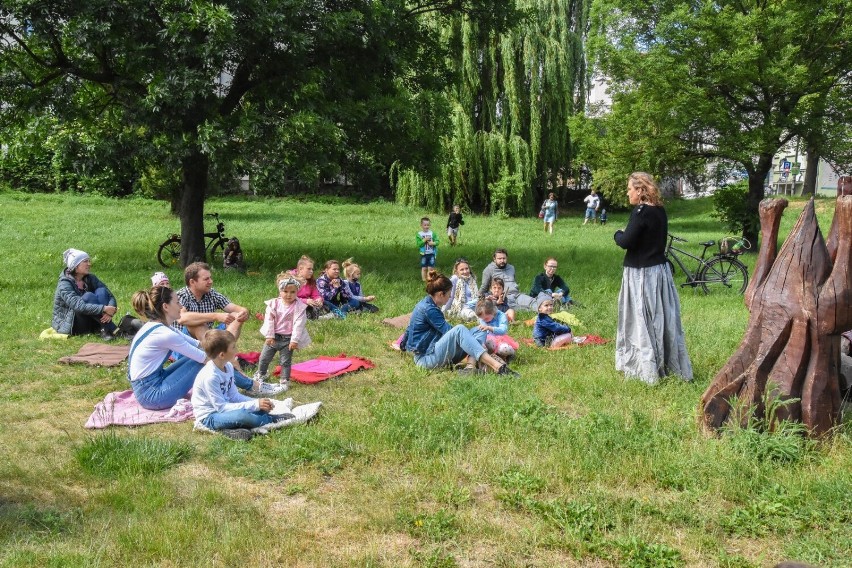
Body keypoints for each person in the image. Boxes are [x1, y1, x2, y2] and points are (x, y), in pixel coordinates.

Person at [128, 287, 284, 411]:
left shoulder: (159, 326)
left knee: (205, 356)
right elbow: (207, 358)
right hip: (152, 395)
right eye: (177, 302)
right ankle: (253, 387)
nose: (181, 306)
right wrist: (228, 359)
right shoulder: (165, 333)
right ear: (166, 307)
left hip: (150, 384)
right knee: (207, 360)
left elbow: (200, 345)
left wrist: (221, 345)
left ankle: (250, 385)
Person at [614, 172, 693, 384]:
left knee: (642, 319)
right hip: (658, 272)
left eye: (630, 189)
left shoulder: (641, 212)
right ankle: (667, 363)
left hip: (642, 275)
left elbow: (626, 241)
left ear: (640, 191)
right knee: (660, 319)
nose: (627, 192)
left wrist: (617, 234)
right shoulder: (659, 210)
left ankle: (646, 368)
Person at [403, 270, 520, 377]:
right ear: (440, 294)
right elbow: (451, 332)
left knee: (480, 329)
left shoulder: (428, 304)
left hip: (435, 351)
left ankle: (470, 367)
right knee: (460, 329)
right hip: (426, 359)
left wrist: (402, 345)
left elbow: (409, 330)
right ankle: (498, 367)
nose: (450, 298)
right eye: (449, 295)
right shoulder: (428, 309)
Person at [192, 330, 292, 441]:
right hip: (210, 417)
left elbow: (235, 396)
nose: (237, 350)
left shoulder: (228, 367)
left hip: (225, 409)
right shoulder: (211, 377)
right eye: (233, 347)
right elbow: (221, 407)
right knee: (242, 416)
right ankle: (271, 420)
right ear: (222, 355)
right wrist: (254, 405)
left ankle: (231, 430)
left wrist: (257, 403)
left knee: (255, 408)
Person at [52, 248, 118, 341]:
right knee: (88, 296)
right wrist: (104, 309)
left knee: (102, 291)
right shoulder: (64, 284)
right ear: (75, 265)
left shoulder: (90, 278)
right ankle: (113, 329)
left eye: (89, 261)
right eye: (85, 261)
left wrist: (110, 310)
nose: (89, 264)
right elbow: (78, 306)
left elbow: (109, 295)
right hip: (72, 324)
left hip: (92, 318)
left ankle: (104, 328)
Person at [256, 274, 311, 383]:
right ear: (280, 291)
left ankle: (284, 379)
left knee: (285, 361)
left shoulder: (299, 307)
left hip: (288, 339)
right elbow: (269, 320)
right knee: (264, 358)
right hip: (273, 337)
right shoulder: (274, 304)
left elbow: (298, 325)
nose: (289, 295)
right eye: (285, 292)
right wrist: (269, 335)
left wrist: (294, 340)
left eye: (292, 292)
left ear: (297, 292)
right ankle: (261, 374)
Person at [174, 262, 250, 340]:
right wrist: (216, 316)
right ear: (192, 282)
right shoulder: (180, 296)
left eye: (210, 278)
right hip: (183, 343)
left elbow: (236, 308)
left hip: (207, 338)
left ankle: (225, 349)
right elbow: (181, 318)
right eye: (206, 279)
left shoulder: (211, 294)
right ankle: (216, 350)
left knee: (235, 316)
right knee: (198, 324)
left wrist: (243, 313)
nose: (211, 281)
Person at [417, 217, 438, 281]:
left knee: (430, 268)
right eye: (425, 225)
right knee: (424, 268)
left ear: (430, 225)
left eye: (428, 225)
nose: (426, 226)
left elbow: (437, 242)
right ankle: (423, 280)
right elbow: (419, 244)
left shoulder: (432, 233)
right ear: (421, 225)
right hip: (424, 254)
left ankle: (430, 280)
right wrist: (424, 240)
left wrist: (433, 243)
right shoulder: (419, 234)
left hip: (431, 253)